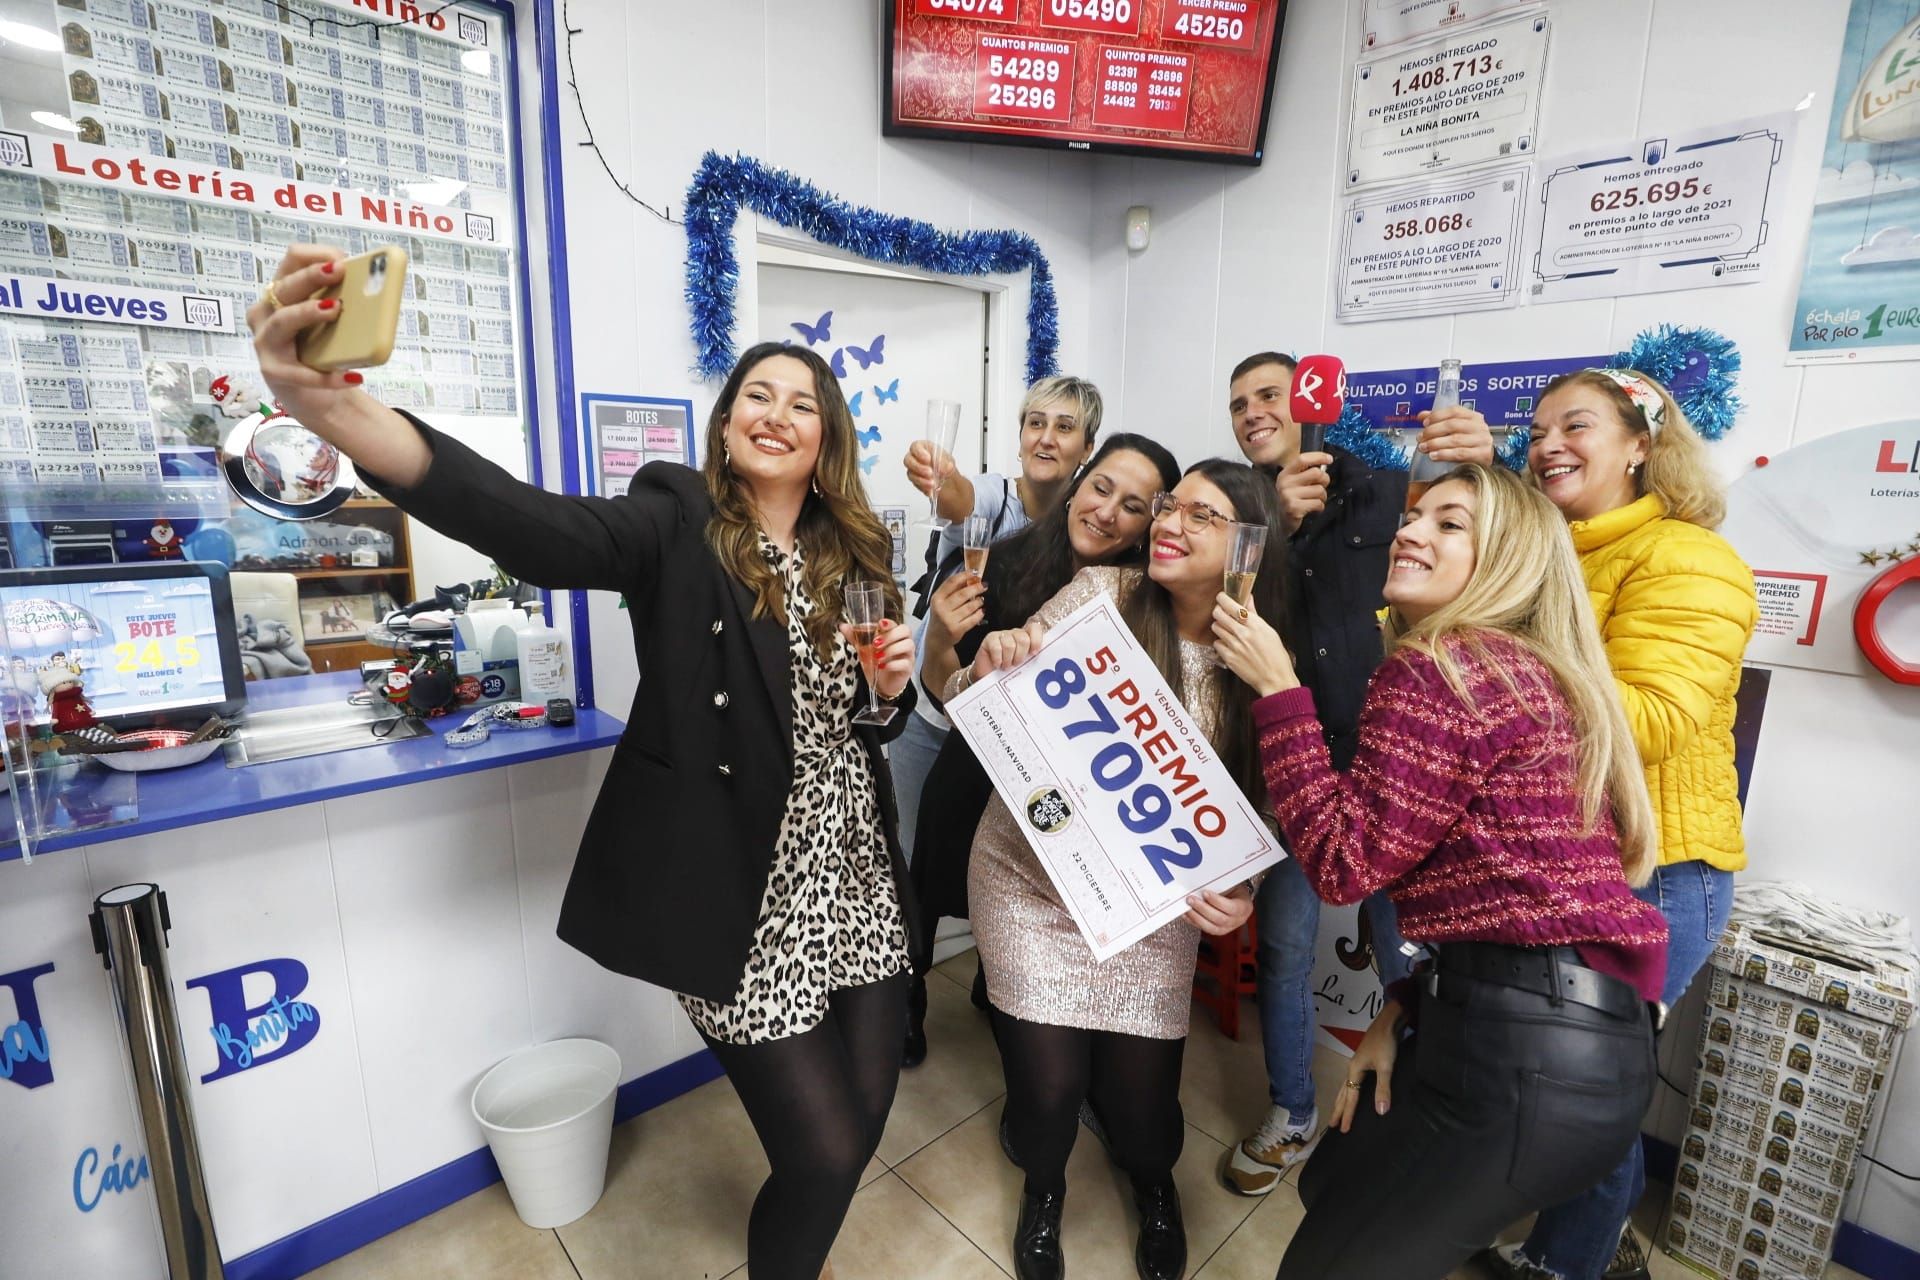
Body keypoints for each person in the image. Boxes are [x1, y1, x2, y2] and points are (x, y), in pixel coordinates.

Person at [250, 246, 921, 1280]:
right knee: (824, 1150)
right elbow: (538, 525)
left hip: (857, 877)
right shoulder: (677, 521)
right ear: (729, 421)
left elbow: (867, 723)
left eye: (803, 400)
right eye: (757, 394)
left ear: (828, 435)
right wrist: (339, 415)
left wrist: (889, 692)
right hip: (742, 894)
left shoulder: (856, 557)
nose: (778, 411)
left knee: (863, 1120)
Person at [1209, 463, 1670, 1280]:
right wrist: (1405, 1009)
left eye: (1449, 524)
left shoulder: (1441, 668)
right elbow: (1518, 894)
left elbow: (1343, 866)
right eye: (1415, 515)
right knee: (1338, 1183)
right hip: (1573, 1043)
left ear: (1509, 559)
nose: (1410, 531)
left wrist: (1280, 690)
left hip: (1523, 1058)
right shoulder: (1529, 671)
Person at [959, 460, 1287, 1280]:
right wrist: (994, 654)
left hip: (1150, 910)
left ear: (1248, 546)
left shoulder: (1261, 659)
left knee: (1143, 1117)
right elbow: (995, 693)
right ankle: (1043, 1189)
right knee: (1045, 1096)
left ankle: (1154, 1185)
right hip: (1025, 883)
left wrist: (1246, 890)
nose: (1170, 522)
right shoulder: (1103, 592)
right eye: (1170, 506)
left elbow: (1275, 802)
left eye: (1200, 516)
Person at [1484, 369, 1758, 1280]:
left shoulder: (1690, 558)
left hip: (1657, 873)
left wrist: (1489, 680)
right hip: (1563, 861)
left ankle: (1565, 1264)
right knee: (1561, 1082)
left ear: (1643, 444)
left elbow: (1650, 720)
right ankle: (1597, 1246)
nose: (1548, 441)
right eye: (1538, 427)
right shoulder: (1543, 552)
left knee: (1587, 1097)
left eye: (1578, 424)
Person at [1221, 351, 1496, 1195]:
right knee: (1285, 949)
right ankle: (1294, 1111)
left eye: (1270, 394)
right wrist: (1277, 520)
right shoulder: (1246, 513)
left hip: (1396, 775)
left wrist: (1487, 462)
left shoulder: (1393, 490)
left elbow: (1483, 548)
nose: (1253, 413)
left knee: (1409, 965)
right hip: (1297, 771)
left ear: (1313, 401)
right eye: (1238, 403)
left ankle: (1425, 1137)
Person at [903, 433, 1179, 1065]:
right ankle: (907, 1007)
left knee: (1034, 912)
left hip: (1069, 798)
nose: (1107, 511)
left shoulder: (1148, 596)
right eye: (1102, 488)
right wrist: (941, 637)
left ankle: (997, 991)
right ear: (1078, 484)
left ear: (1148, 524)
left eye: (1133, 506)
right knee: (929, 892)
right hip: (976, 769)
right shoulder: (1000, 559)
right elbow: (946, 690)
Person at [895, 376, 1103, 1067]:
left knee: (1004, 865)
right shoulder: (993, 499)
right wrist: (941, 473)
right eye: (1035, 422)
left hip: (1011, 739)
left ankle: (993, 984)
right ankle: (905, 1004)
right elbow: (956, 496)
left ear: (1087, 446)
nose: (1045, 437)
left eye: (1064, 426)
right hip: (935, 714)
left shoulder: (1089, 520)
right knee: (912, 862)